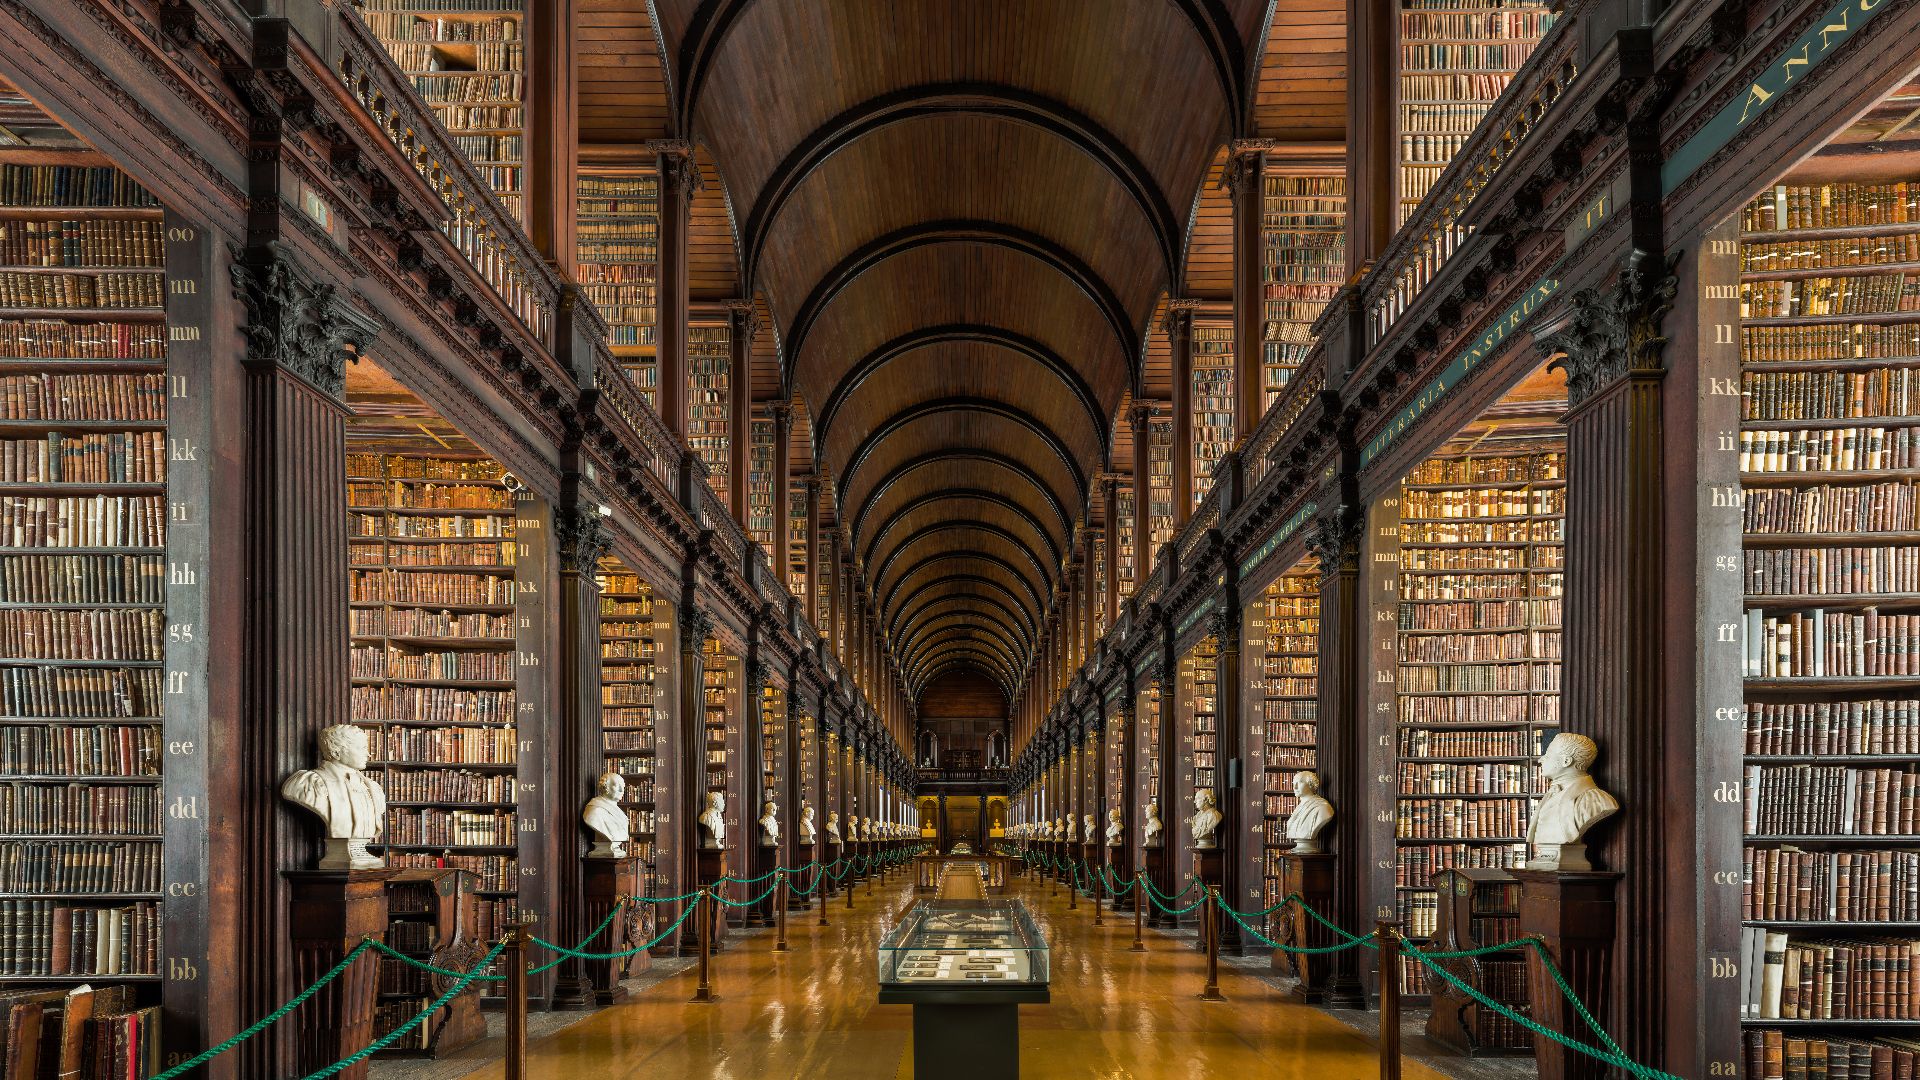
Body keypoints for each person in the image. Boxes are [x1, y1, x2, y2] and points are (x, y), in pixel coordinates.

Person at [281, 724, 387, 869]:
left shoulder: (373, 789)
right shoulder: (307, 783)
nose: (368, 754)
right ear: (337, 752)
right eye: (361, 748)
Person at [1526, 733, 1620, 870]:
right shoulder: (1550, 794)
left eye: (1548, 754)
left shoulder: (1597, 801)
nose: (1541, 759)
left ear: (1566, 761)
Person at [1284, 771, 1334, 854]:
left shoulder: (1322, 807)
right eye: (1293, 783)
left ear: (1311, 784)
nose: (1295, 787)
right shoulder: (1298, 808)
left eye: (1299, 783)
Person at [582, 771, 630, 857]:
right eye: (616, 785)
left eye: (623, 786)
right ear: (605, 787)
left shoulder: (620, 812)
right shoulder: (595, 811)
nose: (621, 790)